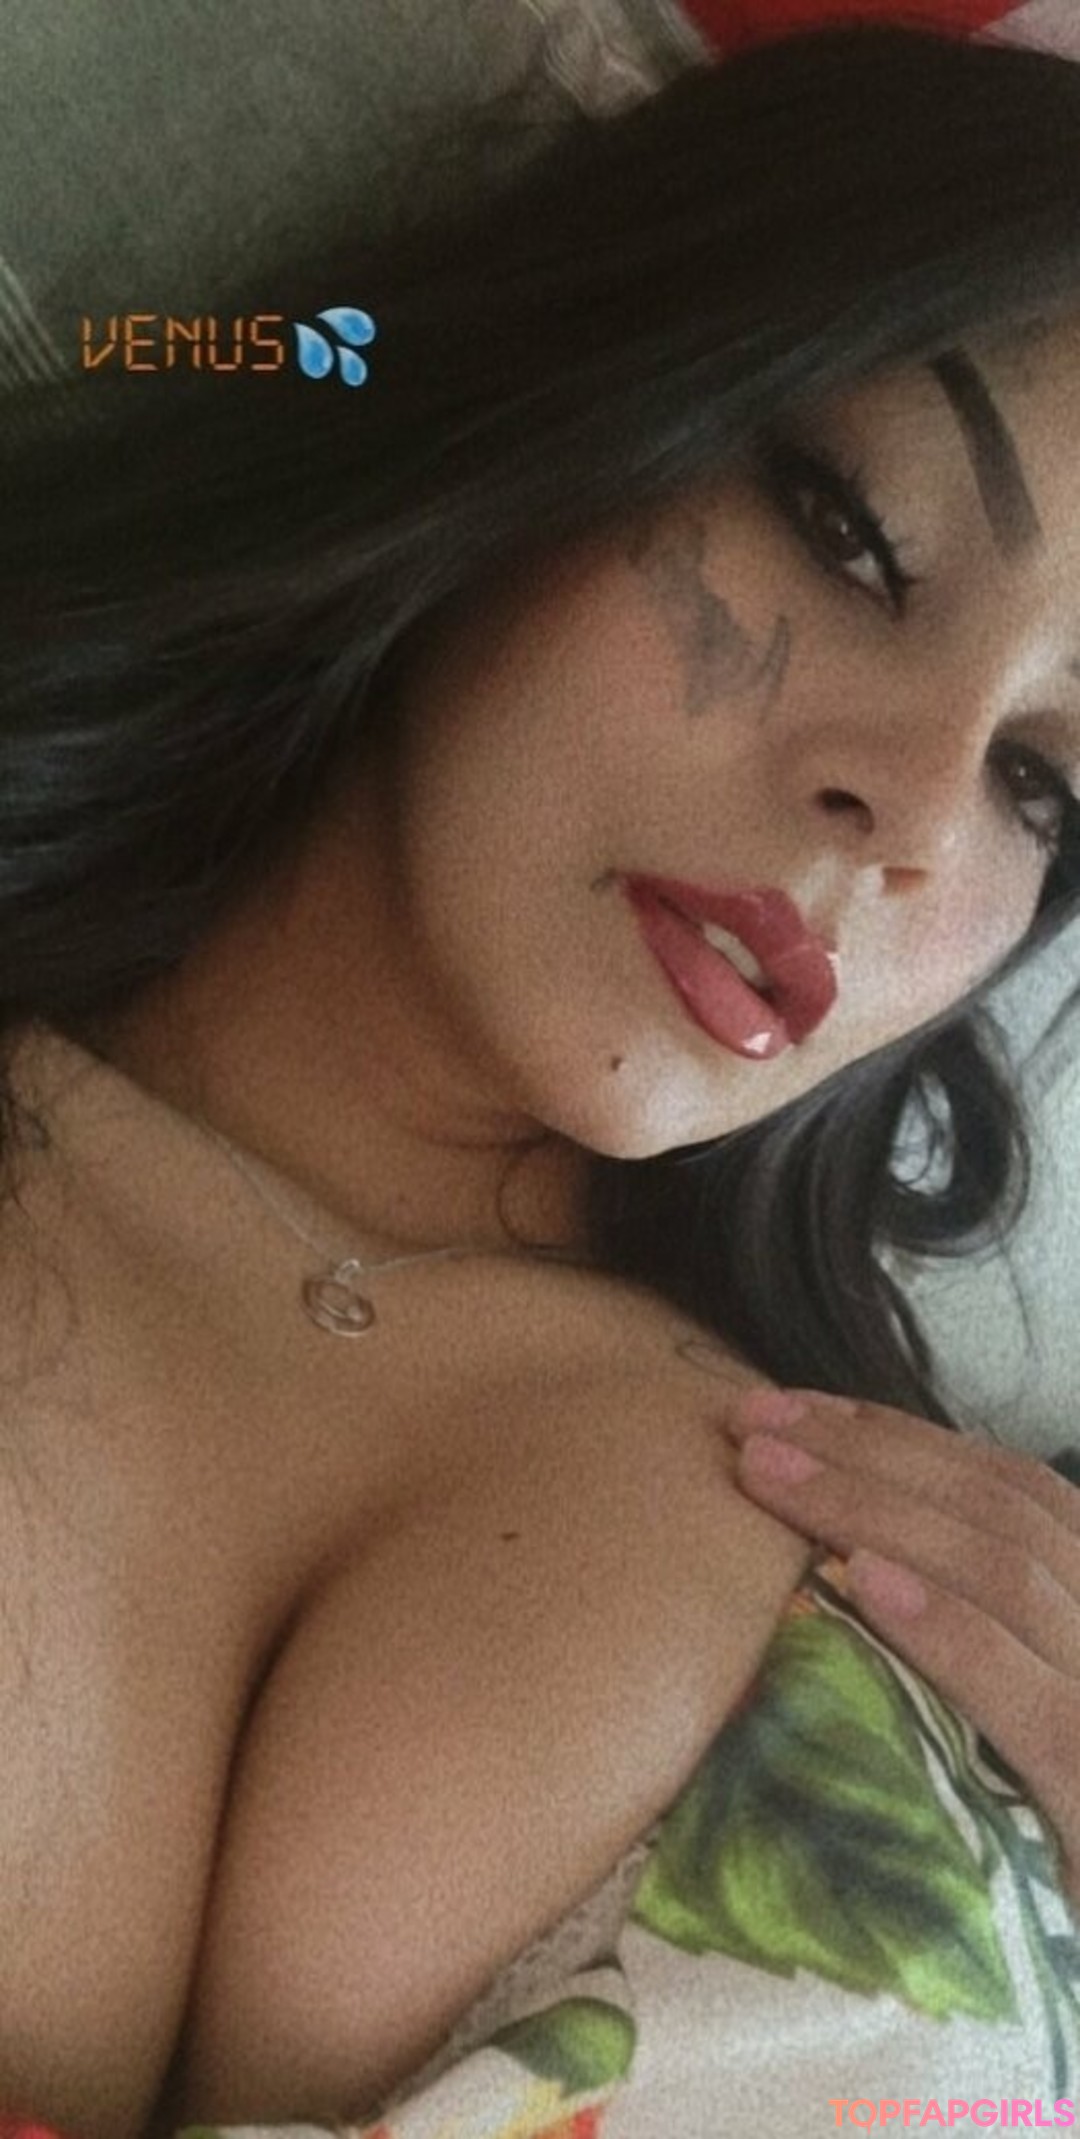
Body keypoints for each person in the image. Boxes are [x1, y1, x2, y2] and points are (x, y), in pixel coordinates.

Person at [1, 20, 1079, 2139]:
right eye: (854, 533)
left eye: (1046, 782)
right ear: (570, 392)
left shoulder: (968, 1576)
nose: (915, 809)